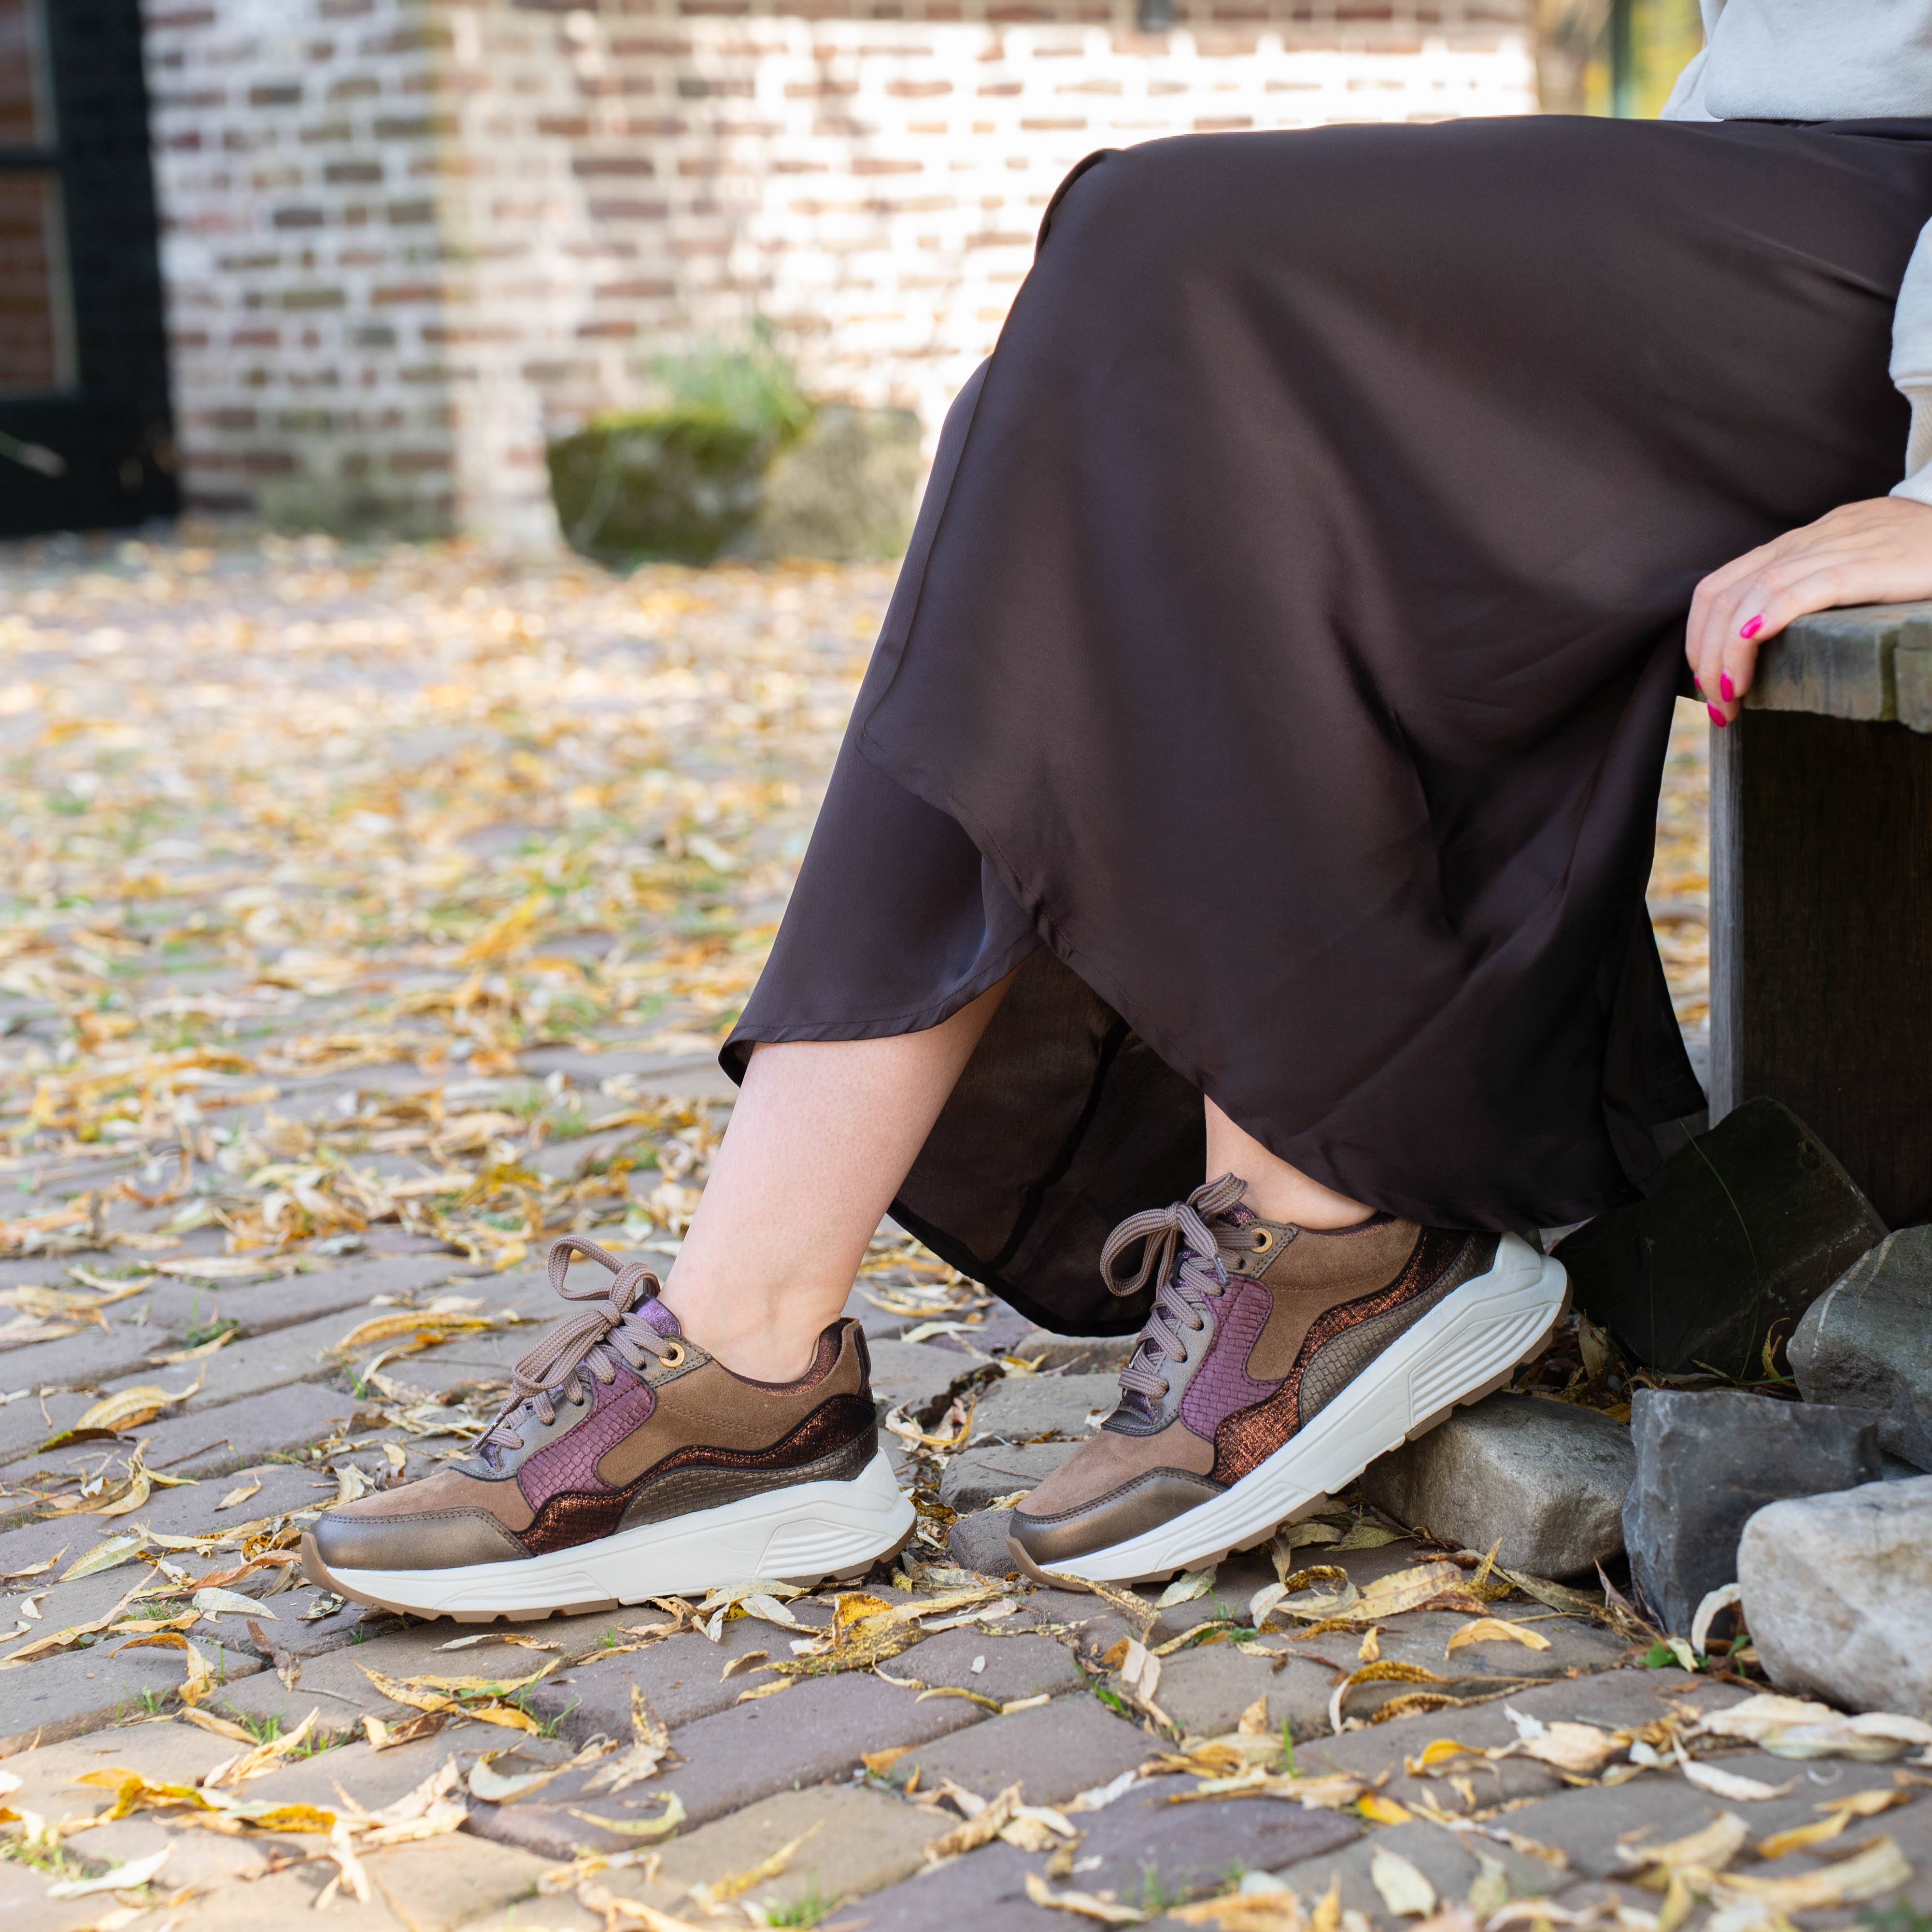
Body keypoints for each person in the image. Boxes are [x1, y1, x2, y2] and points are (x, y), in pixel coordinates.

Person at [302, 0, 1932, 1619]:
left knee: (1151, 243)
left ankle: (1302, 1226)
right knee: (1059, 380)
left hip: (1880, 261)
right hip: (1754, 192)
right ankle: (754, 1336)